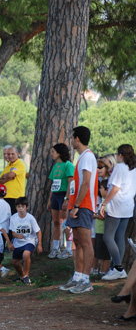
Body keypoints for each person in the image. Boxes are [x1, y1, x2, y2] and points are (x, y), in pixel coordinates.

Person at [59, 126, 98, 294]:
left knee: (85, 242)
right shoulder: (82, 157)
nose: (71, 139)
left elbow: (86, 183)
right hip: (76, 205)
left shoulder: (88, 157)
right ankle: (77, 276)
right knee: (76, 242)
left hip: (84, 205)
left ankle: (86, 280)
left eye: (72, 136)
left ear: (77, 139)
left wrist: (76, 206)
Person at [100, 144, 136, 281]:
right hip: (128, 205)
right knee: (119, 236)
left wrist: (104, 203)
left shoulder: (120, 167)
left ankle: (118, 268)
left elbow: (114, 188)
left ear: (120, 155)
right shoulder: (133, 168)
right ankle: (116, 267)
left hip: (117, 205)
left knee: (108, 237)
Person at [47, 143, 74, 259]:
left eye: (53, 152)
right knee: (56, 222)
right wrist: (50, 199)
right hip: (55, 196)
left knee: (65, 223)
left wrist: (66, 199)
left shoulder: (68, 165)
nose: (51, 154)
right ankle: (56, 247)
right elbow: (53, 184)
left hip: (64, 195)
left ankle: (69, 248)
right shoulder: (55, 166)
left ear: (59, 153)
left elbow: (70, 183)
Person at [8, 197, 42, 285]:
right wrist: (17, 236)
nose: (20, 209)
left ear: (26, 207)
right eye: (18, 206)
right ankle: (22, 276)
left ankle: (27, 275)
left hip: (29, 240)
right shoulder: (13, 218)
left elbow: (38, 231)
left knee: (26, 254)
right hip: (18, 242)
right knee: (15, 262)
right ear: (16, 207)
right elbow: (13, 232)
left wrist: (39, 245)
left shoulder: (30, 218)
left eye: (22, 206)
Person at [0, 146, 27, 213]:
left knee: (15, 218)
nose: (10, 156)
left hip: (16, 197)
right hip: (6, 197)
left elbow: (11, 175)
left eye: (12, 154)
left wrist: (6, 177)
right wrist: (7, 178)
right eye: (8, 154)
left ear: (17, 154)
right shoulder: (8, 166)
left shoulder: (20, 164)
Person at [93, 180, 111, 276]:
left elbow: (103, 216)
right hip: (98, 231)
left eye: (101, 188)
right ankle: (101, 271)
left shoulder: (107, 203)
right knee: (99, 252)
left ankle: (105, 271)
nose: (99, 190)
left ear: (107, 190)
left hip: (104, 231)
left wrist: (94, 215)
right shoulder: (102, 201)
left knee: (105, 254)